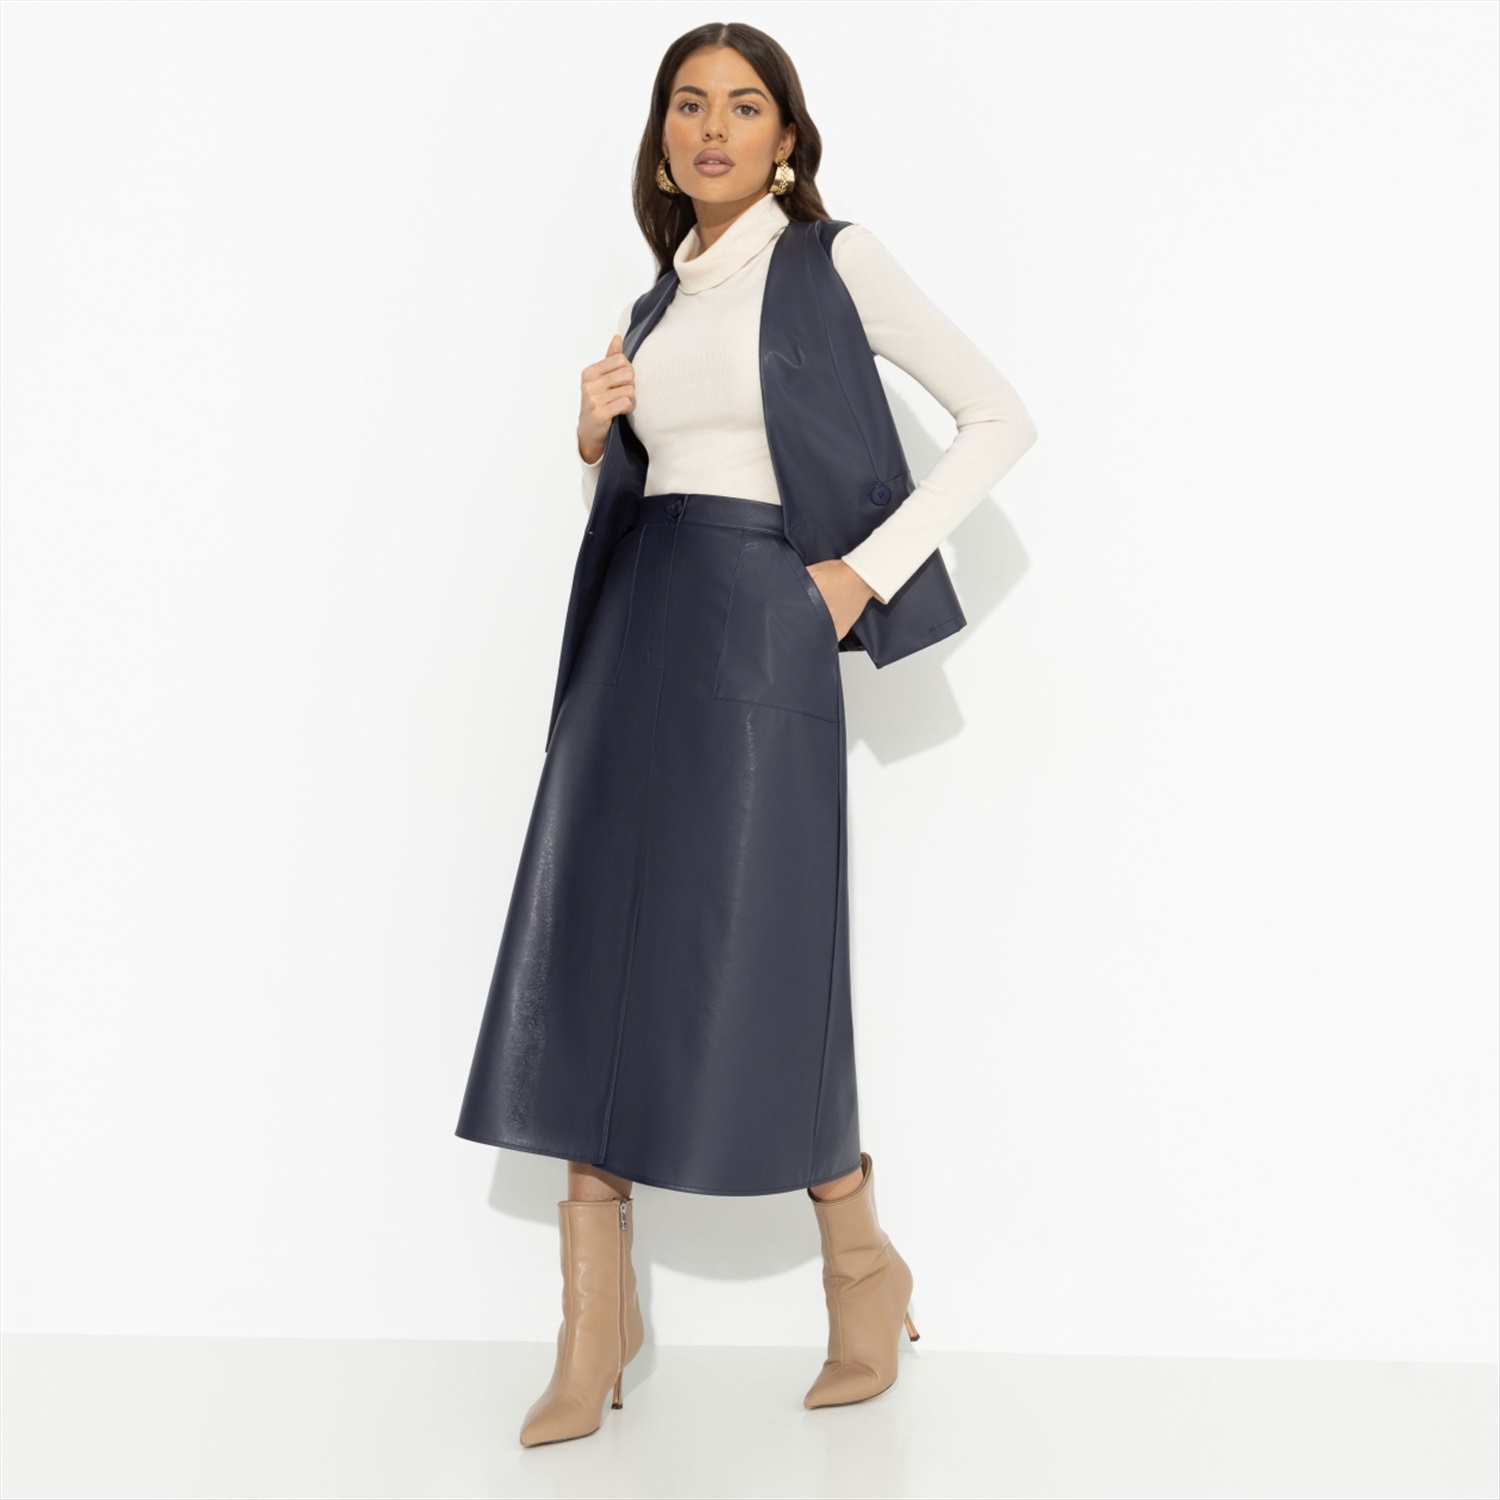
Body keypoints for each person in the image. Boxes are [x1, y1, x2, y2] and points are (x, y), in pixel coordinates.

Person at [455, 21, 1037, 1447]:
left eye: (745, 105)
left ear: (786, 138)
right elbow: (663, 473)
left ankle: (861, 1265)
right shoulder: (655, 302)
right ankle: (595, 1323)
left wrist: (855, 577)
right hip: (636, 630)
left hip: (762, 626)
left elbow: (998, 418)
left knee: (762, 954)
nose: (713, 127)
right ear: (662, 139)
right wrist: (596, 437)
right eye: (688, 104)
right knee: (593, 949)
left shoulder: (831, 261)